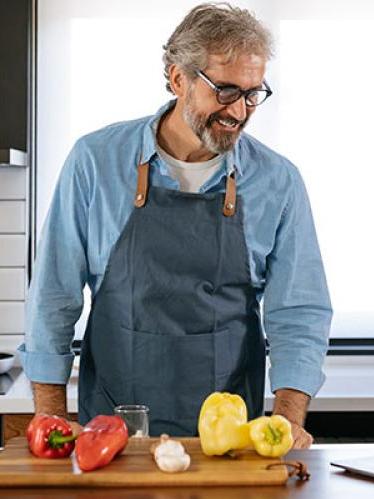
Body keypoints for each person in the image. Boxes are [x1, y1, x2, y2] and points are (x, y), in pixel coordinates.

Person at [18, 3, 332, 447]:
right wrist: (50, 416)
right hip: (112, 433)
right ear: (177, 78)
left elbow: (299, 313)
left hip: (229, 438)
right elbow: (53, 293)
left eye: (252, 93)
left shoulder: (278, 181)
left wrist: (286, 420)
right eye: (224, 90)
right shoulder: (95, 161)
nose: (239, 111)